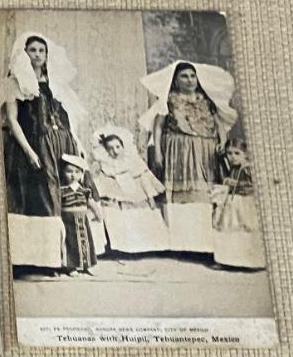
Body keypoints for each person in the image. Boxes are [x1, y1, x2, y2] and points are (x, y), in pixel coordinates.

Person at [1, 33, 85, 269]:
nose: (37, 54)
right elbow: (12, 120)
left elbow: (68, 117)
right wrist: (29, 152)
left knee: (67, 195)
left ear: (47, 55)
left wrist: (77, 144)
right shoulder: (15, 83)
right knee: (45, 198)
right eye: (33, 50)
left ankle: (70, 259)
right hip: (36, 145)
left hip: (62, 144)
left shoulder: (55, 83)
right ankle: (46, 259)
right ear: (24, 53)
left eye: (41, 51)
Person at [140, 60, 237, 255]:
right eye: (184, 76)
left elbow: (218, 122)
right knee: (182, 194)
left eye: (193, 76)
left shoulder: (206, 99)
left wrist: (223, 140)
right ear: (176, 81)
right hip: (179, 149)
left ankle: (205, 242)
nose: (190, 80)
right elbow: (158, 127)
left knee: (205, 191)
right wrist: (158, 151)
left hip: (205, 150)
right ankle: (182, 242)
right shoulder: (169, 99)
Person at [90, 127, 169, 253]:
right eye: (110, 149)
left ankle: (148, 246)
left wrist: (150, 197)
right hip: (118, 200)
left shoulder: (134, 162)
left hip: (138, 196)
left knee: (143, 216)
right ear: (106, 151)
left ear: (123, 146)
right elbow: (101, 186)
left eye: (118, 147)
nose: (115, 151)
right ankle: (122, 247)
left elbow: (144, 180)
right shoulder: (106, 166)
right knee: (116, 215)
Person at [211, 137, 266, 269]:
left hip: (245, 201)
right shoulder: (234, 168)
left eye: (237, 153)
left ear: (246, 154)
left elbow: (255, 185)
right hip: (233, 202)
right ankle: (228, 260)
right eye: (229, 153)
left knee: (245, 229)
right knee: (229, 229)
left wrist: (236, 184)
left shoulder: (247, 168)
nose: (233, 157)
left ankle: (251, 261)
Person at [58, 155, 101, 274]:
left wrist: (98, 214)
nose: (73, 175)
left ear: (81, 174)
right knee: (70, 243)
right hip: (68, 222)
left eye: (77, 172)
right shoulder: (62, 190)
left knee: (85, 242)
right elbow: (57, 205)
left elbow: (90, 202)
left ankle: (86, 265)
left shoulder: (84, 190)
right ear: (63, 173)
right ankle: (70, 267)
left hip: (82, 221)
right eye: (69, 172)